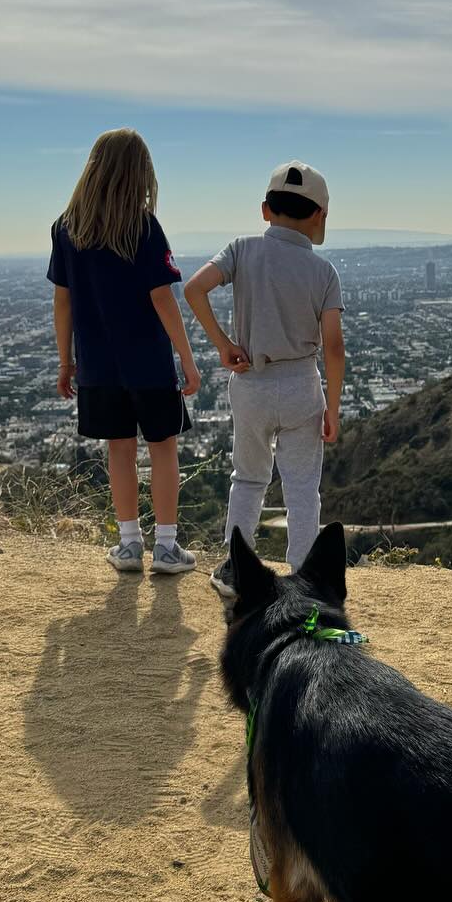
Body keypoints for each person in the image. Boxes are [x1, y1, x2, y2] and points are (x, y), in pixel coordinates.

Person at [183, 160, 345, 594]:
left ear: (265, 210)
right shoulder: (323, 273)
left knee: (249, 477)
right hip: (300, 385)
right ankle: (306, 578)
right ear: (319, 216)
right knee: (302, 487)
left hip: (251, 380)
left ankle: (236, 570)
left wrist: (222, 344)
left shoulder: (242, 249)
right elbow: (333, 346)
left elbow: (194, 288)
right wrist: (333, 407)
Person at [49, 128, 201, 575]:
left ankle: (130, 545)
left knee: (119, 449)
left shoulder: (66, 228)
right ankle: (168, 548)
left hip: (98, 366)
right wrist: (187, 363)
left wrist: (66, 360)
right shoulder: (143, 226)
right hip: (149, 364)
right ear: (141, 173)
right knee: (163, 448)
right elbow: (162, 299)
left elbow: (63, 301)